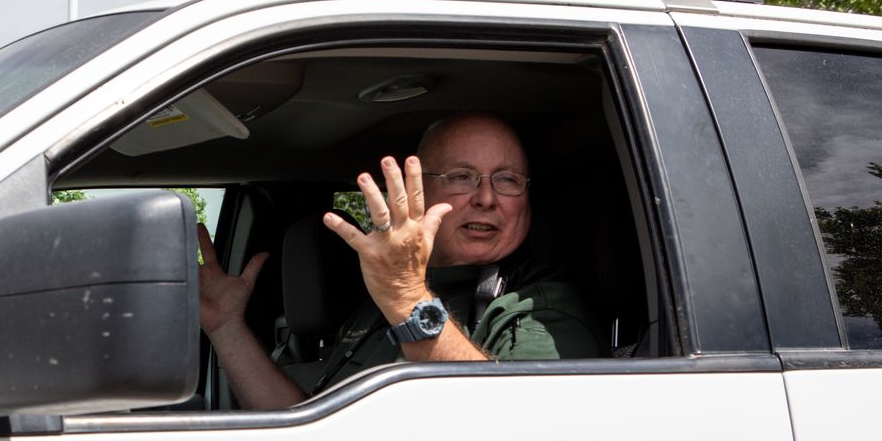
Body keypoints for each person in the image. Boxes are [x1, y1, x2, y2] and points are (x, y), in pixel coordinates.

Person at [197, 112, 602, 410]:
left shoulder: (539, 306)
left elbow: (522, 427)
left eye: (507, 179)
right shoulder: (379, 304)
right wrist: (226, 328)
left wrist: (407, 298)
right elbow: (302, 426)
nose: (486, 198)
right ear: (415, 191)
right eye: (462, 177)